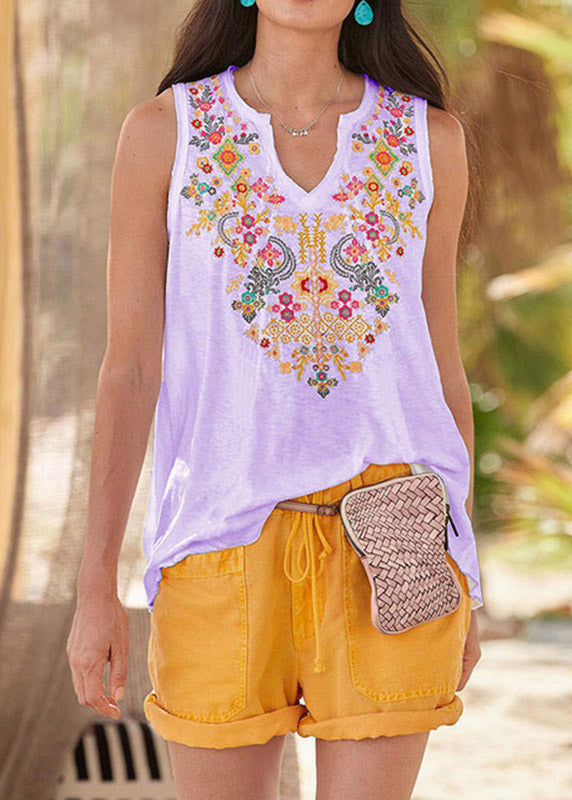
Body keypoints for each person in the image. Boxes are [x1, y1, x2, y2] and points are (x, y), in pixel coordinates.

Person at [66, 1, 484, 797]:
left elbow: (441, 367)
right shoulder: (164, 134)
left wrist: (465, 563)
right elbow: (129, 371)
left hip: (392, 541)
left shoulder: (430, 141)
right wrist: (96, 589)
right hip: (216, 546)